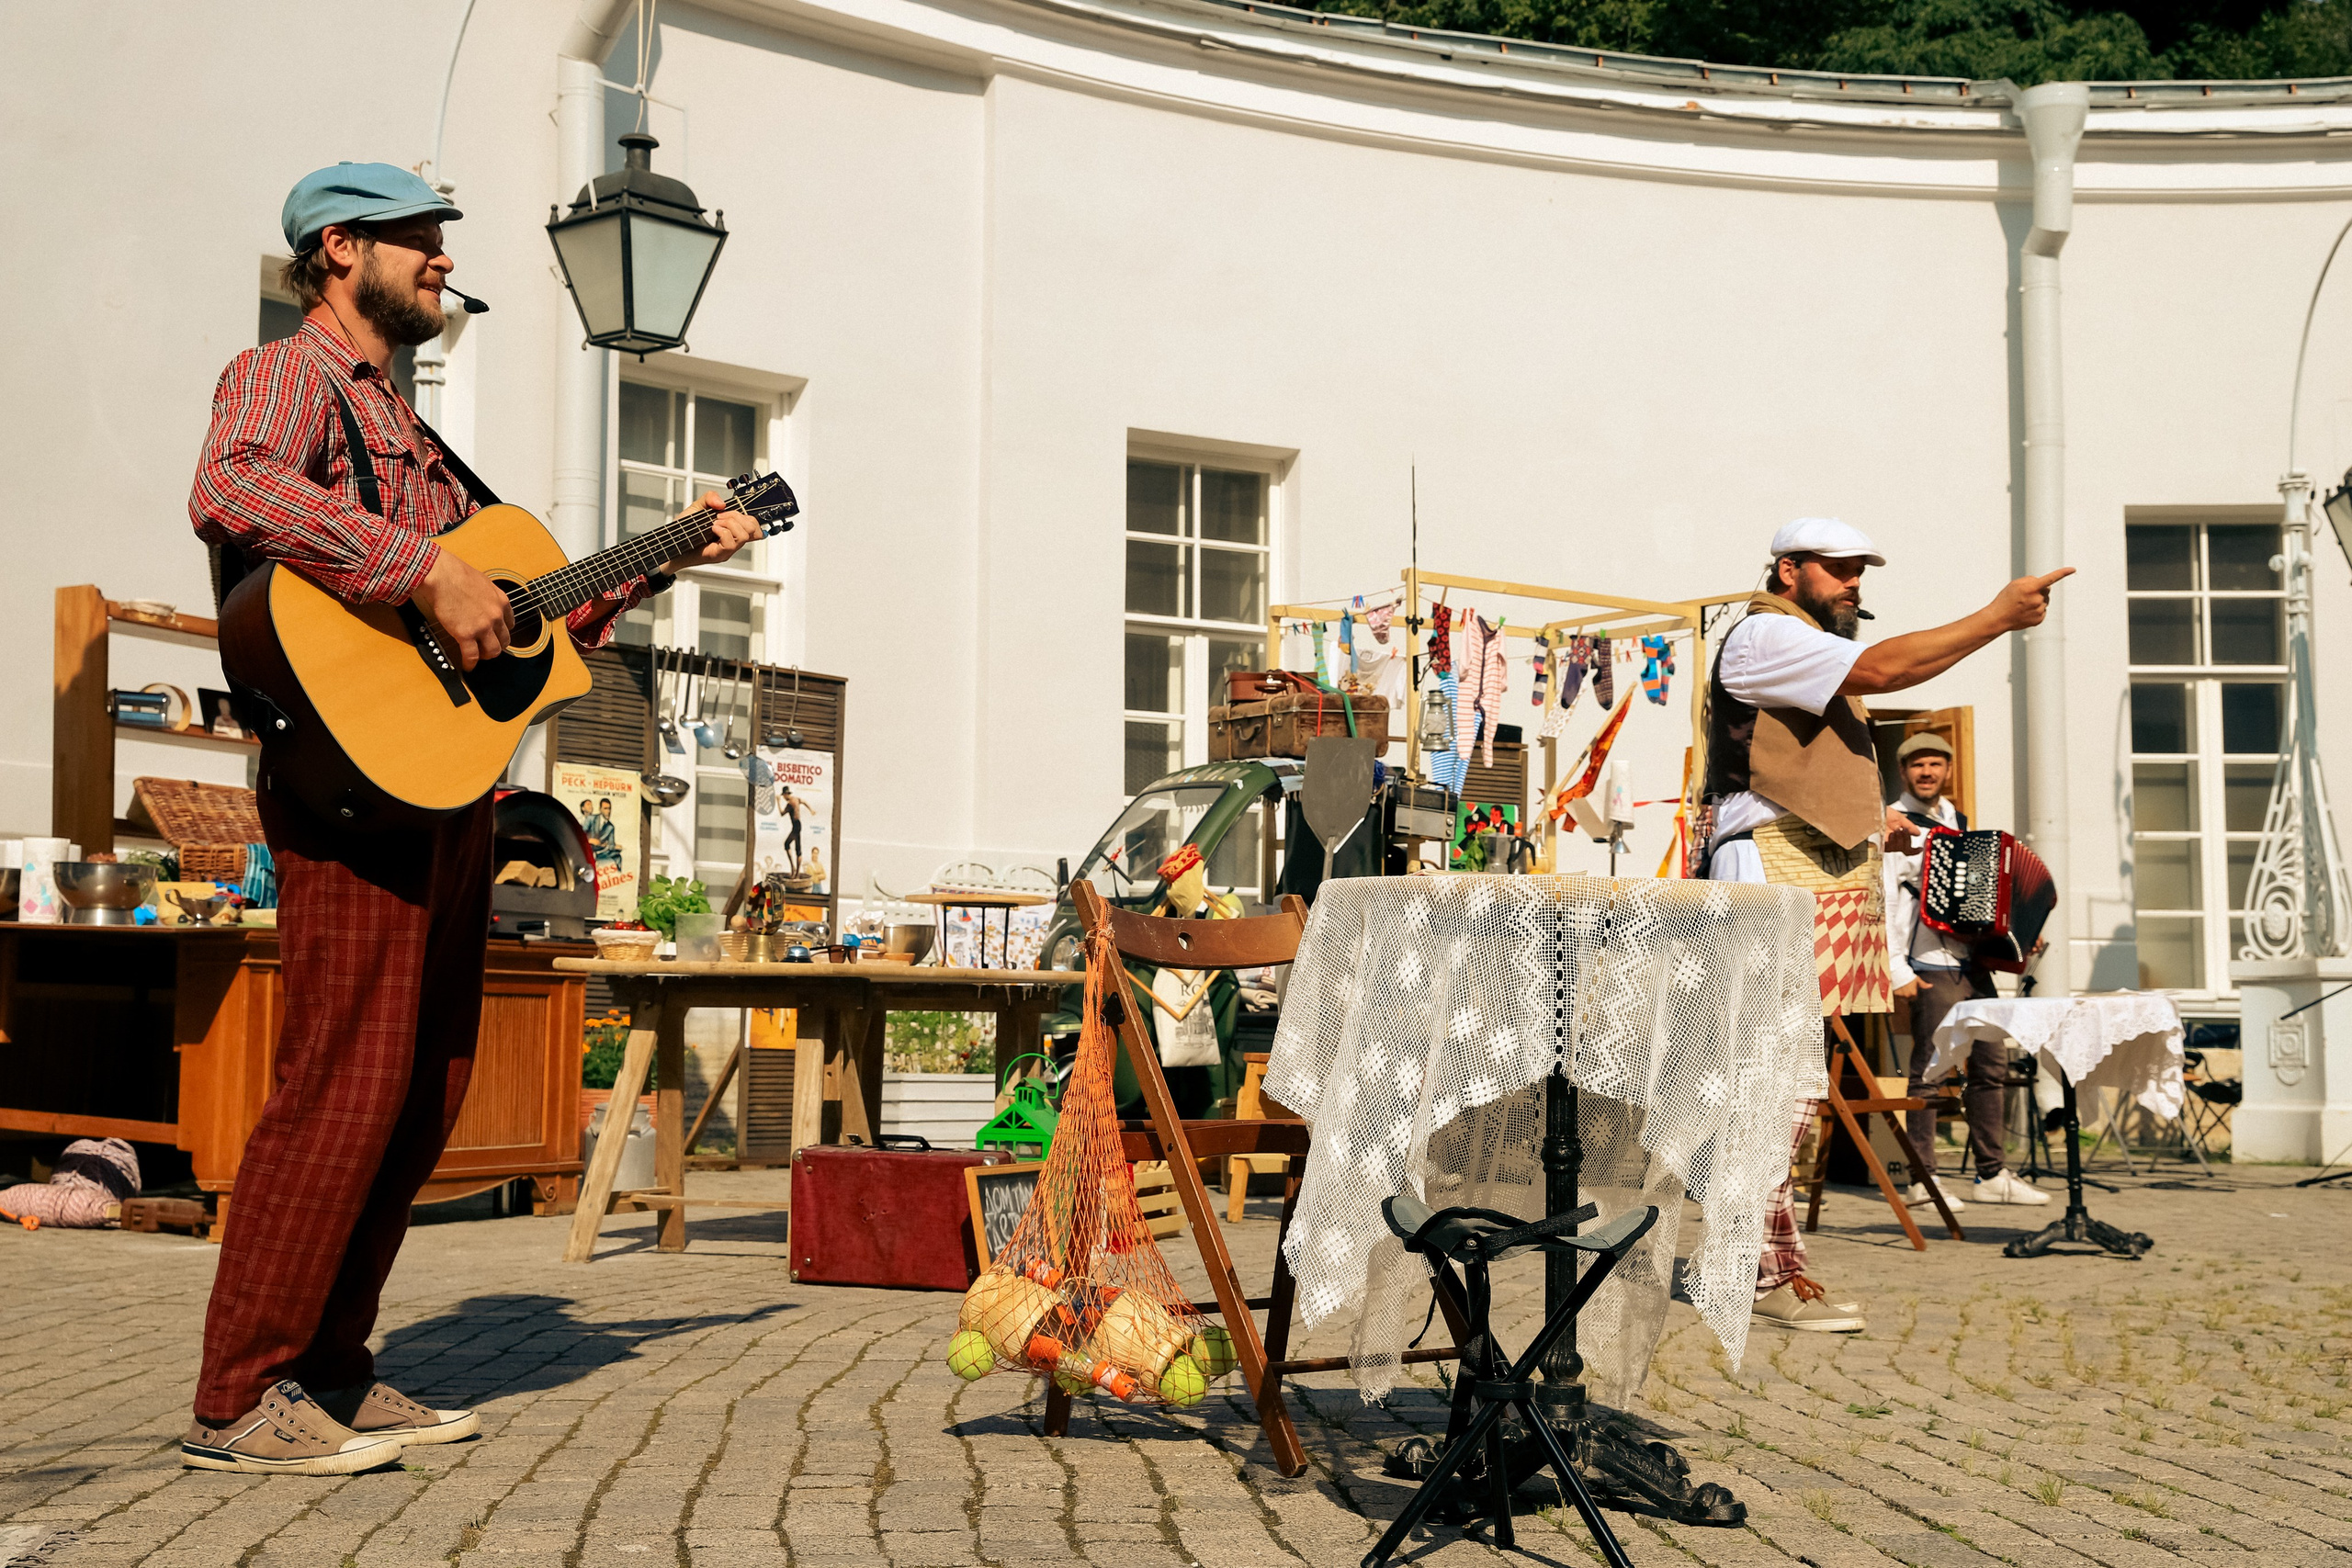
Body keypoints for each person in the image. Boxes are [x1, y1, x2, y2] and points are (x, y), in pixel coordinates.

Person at [182, 163, 761, 1475]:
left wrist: (664, 552)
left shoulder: (406, 419)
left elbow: (511, 624)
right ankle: (240, 1394)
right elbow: (237, 487)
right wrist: (423, 566)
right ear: (340, 248)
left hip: (441, 785)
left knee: (419, 1086)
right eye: (420, 240)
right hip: (349, 784)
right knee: (341, 1082)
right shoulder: (288, 377)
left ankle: (329, 1368)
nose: (444, 259)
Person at [1705, 518, 2070, 1335]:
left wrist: (1877, 821)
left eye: (1859, 572)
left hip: (1803, 862)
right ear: (1788, 569)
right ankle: (1750, 1268)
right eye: (1837, 570)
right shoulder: (1767, 631)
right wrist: (1997, 616)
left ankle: (1758, 1263)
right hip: (1770, 868)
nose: (1853, 584)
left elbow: (1796, 770)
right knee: (1771, 1082)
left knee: (1791, 1085)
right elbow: (1885, 663)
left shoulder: (1792, 640)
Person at [1883, 733, 2052, 1210]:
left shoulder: (1958, 822)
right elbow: (1889, 899)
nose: (1928, 772)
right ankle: (1922, 1180)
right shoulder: (1895, 824)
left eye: (1936, 763)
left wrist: (2018, 933)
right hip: (1929, 963)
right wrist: (1897, 969)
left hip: (1972, 963)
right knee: (1930, 1069)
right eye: (1918, 765)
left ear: (1948, 770)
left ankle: (1991, 1174)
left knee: (1990, 1066)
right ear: (1905, 772)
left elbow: (1986, 898)